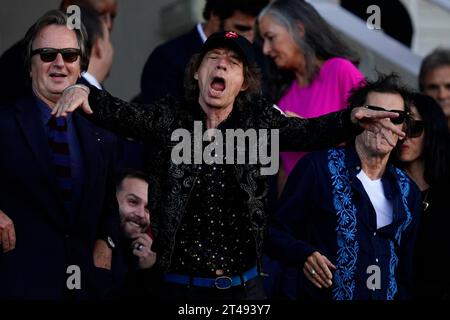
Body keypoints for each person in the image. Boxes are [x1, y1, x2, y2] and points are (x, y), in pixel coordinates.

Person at [53, 31, 404, 300]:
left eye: (232, 63)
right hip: (179, 288)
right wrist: (88, 93)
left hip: (244, 290)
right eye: (213, 58)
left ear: (244, 81)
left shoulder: (259, 119)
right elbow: (125, 115)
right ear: (197, 73)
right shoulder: (168, 115)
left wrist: (351, 118)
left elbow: (308, 131)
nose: (221, 64)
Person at [267, 74, 421, 300]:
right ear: (358, 118)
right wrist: (304, 255)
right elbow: (273, 232)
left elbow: (407, 271)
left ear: (403, 129)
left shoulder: (409, 191)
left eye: (395, 117)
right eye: (374, 114)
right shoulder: (317, 168)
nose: (384, 123)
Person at [0, 10, 119, 299]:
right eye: (47, 54)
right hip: (18, 284)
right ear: (30, 66)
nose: (59, 64)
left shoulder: (102, 128)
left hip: (86, 286)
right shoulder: (3, 121)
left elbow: (110, 201)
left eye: (69, 55)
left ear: (81, 66)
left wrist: (108, 240)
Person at [257, 0, 365, 192]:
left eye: (271, 37)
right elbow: (285, 168)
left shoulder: (340, 71)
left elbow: (371, 135)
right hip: (297, 211)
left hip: (340, 203)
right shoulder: (283, 97)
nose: (265, 49)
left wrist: (312, 132)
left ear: (299, 29)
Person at [138, 0, 269, 104]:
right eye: (241, 28)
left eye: (254, 30)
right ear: (215, 16)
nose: (250, 38)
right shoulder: (166, 58)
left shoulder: (259, 56)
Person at [0, 0, 117, 103]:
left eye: (112, 16)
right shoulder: (21, 57)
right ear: (69, 6)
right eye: (100, 14)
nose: (108, 24)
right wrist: (89, 78)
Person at [394, 93, 450, 299]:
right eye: (399, 125)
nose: (404, 136)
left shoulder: (445, 188)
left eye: (415, 128)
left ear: (432, 130)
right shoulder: (382, 186)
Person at [112, 169, 156, 297]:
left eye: (148, 208)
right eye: (133, 202)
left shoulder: (153, 258)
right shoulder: (87, 245)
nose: (141, 214)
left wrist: (147, 271)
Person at [419, 48, 450, 131]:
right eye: (433, 88)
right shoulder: (410, 135)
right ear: (422, 91)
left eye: (449, 87)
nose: (442, 95)